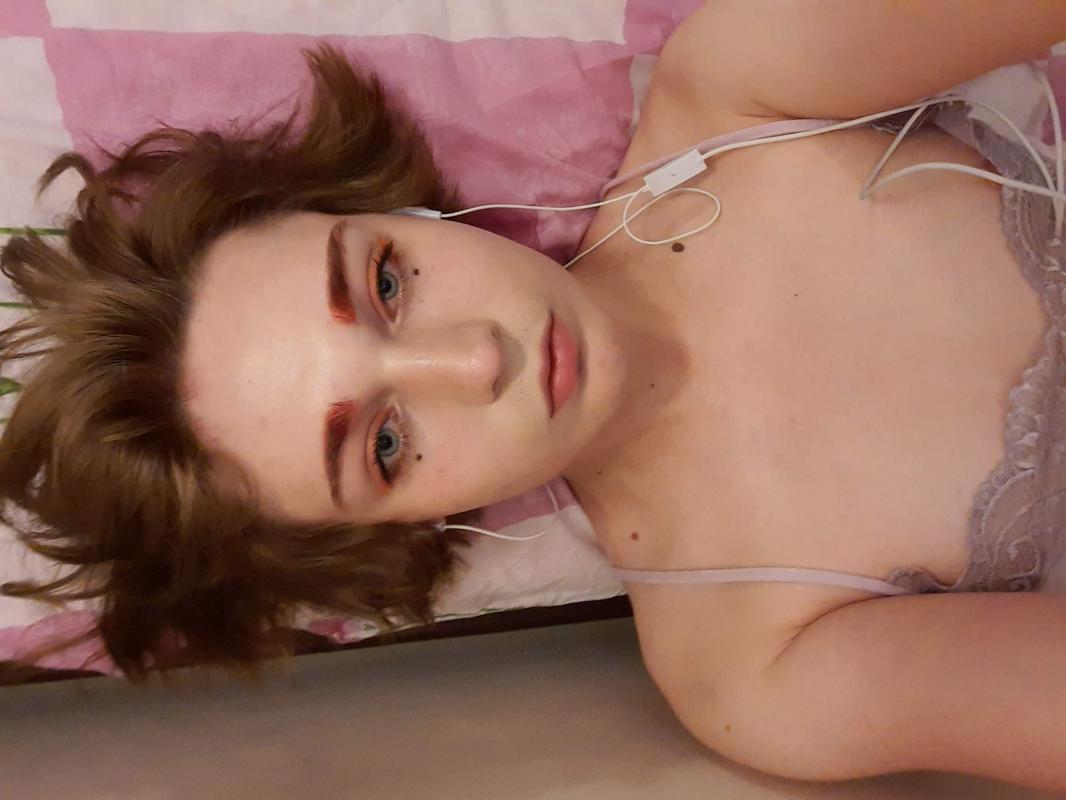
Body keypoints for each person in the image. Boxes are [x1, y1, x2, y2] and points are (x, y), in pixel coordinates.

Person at [3, 2, 1066, 791]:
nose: (475, 361)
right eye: (385, 444)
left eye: (386, 283)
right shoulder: (749, 666)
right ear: (388, 531)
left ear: (397, 212)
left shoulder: (741, 86)